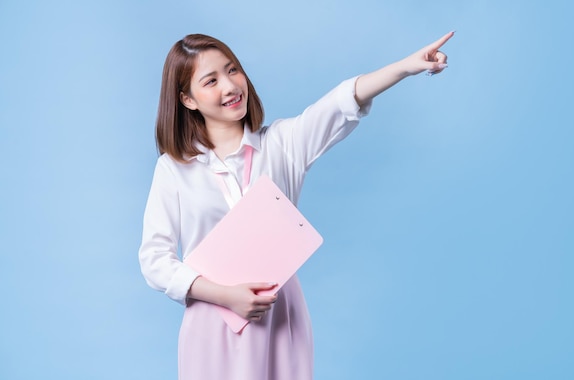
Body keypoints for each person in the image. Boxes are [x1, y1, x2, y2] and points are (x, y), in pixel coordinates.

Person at [139, 31, 454, 380]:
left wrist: (406, 67)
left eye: (232, 70)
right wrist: (224, 295)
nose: (229, 86)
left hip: (278, 316)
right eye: (211, 80)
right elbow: (155, 260)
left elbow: (340, 103)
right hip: (212, 321)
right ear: (188, 99)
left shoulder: (282, 144)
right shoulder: (174, 168)